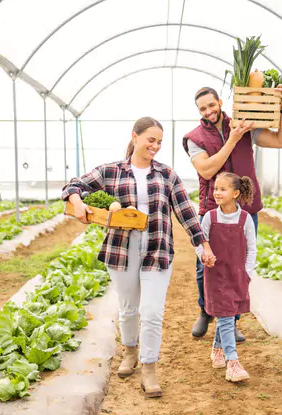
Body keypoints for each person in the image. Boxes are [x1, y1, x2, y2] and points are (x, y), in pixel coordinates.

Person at [62, 117, 215, 398]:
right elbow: (72, 186)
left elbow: (186, 212)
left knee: (153, 312)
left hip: (158, 249)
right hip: (122, 250)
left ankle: (149, 368)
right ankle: (130, 352)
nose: (155, 146)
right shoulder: (112, 171)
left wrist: (202, 244)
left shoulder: (166, 175)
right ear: (135, 137)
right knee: (129, 308)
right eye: (150, 140)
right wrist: (78, 203)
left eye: (159, 141)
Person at [183, 85, 282, 341]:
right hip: (212, 209)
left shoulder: (246, 126)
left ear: (220, 102)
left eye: (211, 105)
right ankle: (205, 311)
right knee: (204, 265)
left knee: (237, 266)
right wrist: (232, 138)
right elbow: (207, 170)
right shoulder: (194, 138)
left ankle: (231, 320)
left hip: (245, 210)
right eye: (202, 108)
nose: (208, 111)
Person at [197, 172, 257, 382]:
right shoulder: (209, 217)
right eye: (215, 189)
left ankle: (217, 349)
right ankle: (233, 362)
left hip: (237, 275)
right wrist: (204, 256)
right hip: (215, 274)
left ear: (236, 193)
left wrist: (247, 274)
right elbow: (200, 243)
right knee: (226, 315)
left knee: (227, 313)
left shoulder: (245, 218)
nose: (217, 193)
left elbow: (252, 249)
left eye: (223, 189)